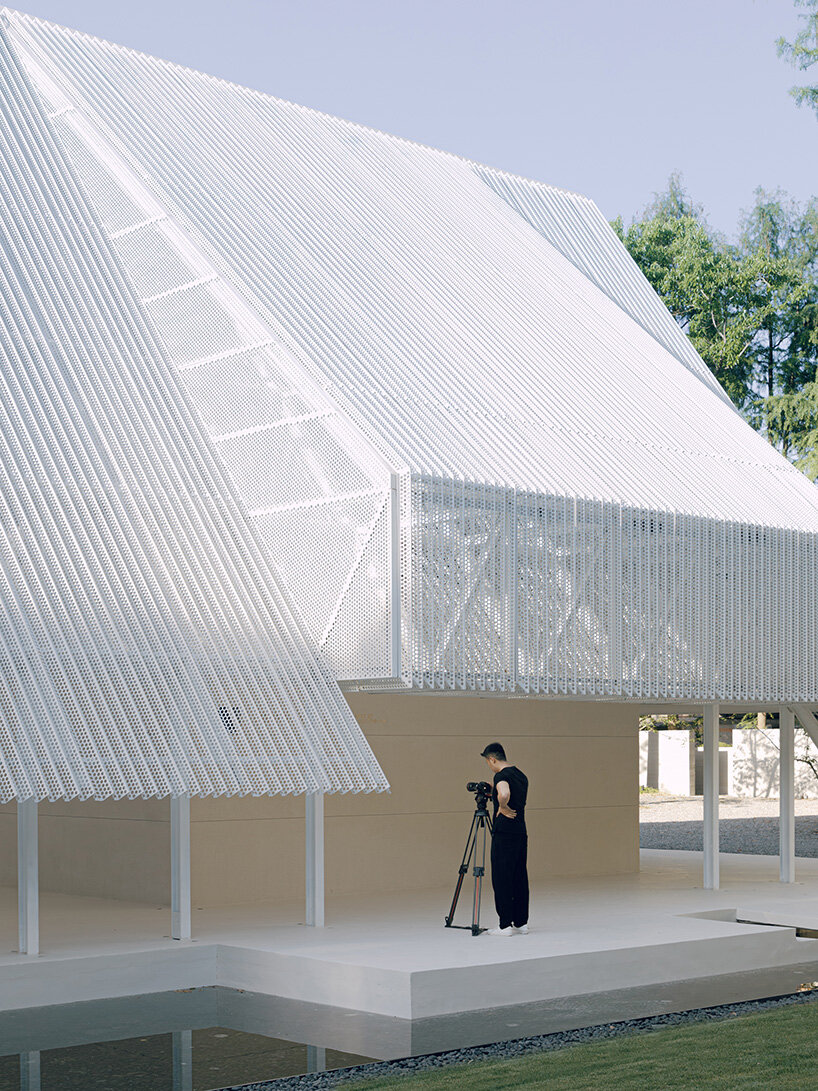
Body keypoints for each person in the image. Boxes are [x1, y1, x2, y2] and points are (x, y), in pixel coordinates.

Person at [481, 742, 529, 936]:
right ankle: (521, 923)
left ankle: (504, 926)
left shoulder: (501, 775)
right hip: (520, 830)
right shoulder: (520, 775)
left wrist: (502, 806)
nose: (489, 766)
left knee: (501, 877)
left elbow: (505, 793)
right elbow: (510, 790)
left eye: (488, 762)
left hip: (504, 832)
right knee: (519, 876)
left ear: (492, 759)